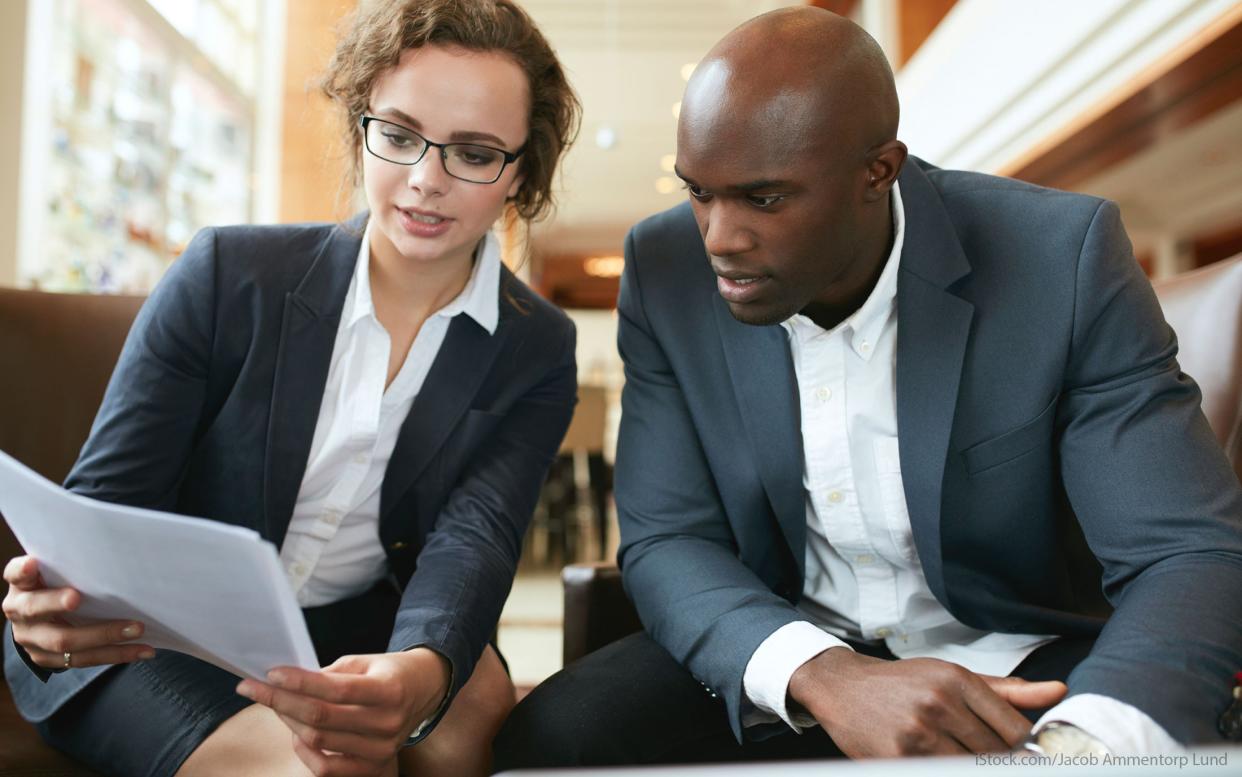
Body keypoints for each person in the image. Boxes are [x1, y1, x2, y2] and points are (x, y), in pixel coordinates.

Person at [493, 6, 1242, 768]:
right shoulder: (664, 269)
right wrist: (823, 674)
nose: (719, 237)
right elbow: (667, 537)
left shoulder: (1058, 260)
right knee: (551, 739)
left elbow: (1184, 550)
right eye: (699, 192)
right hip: (788, 644)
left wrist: (1084, 744)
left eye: (765, 197)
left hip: (1024, 657)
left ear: (877, 171)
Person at [2, 1, 580, 775]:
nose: (424, 181)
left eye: (474, 153)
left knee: (462, 727)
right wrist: (51, 609)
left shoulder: (536, 345)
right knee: (320, 769)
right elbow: (103, 507)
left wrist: (422, 668)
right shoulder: (224, 275)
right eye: (399, 135)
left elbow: (475, 535)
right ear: (360, 126)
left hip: (373, 619)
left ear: (520, 172)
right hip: (167, 631)